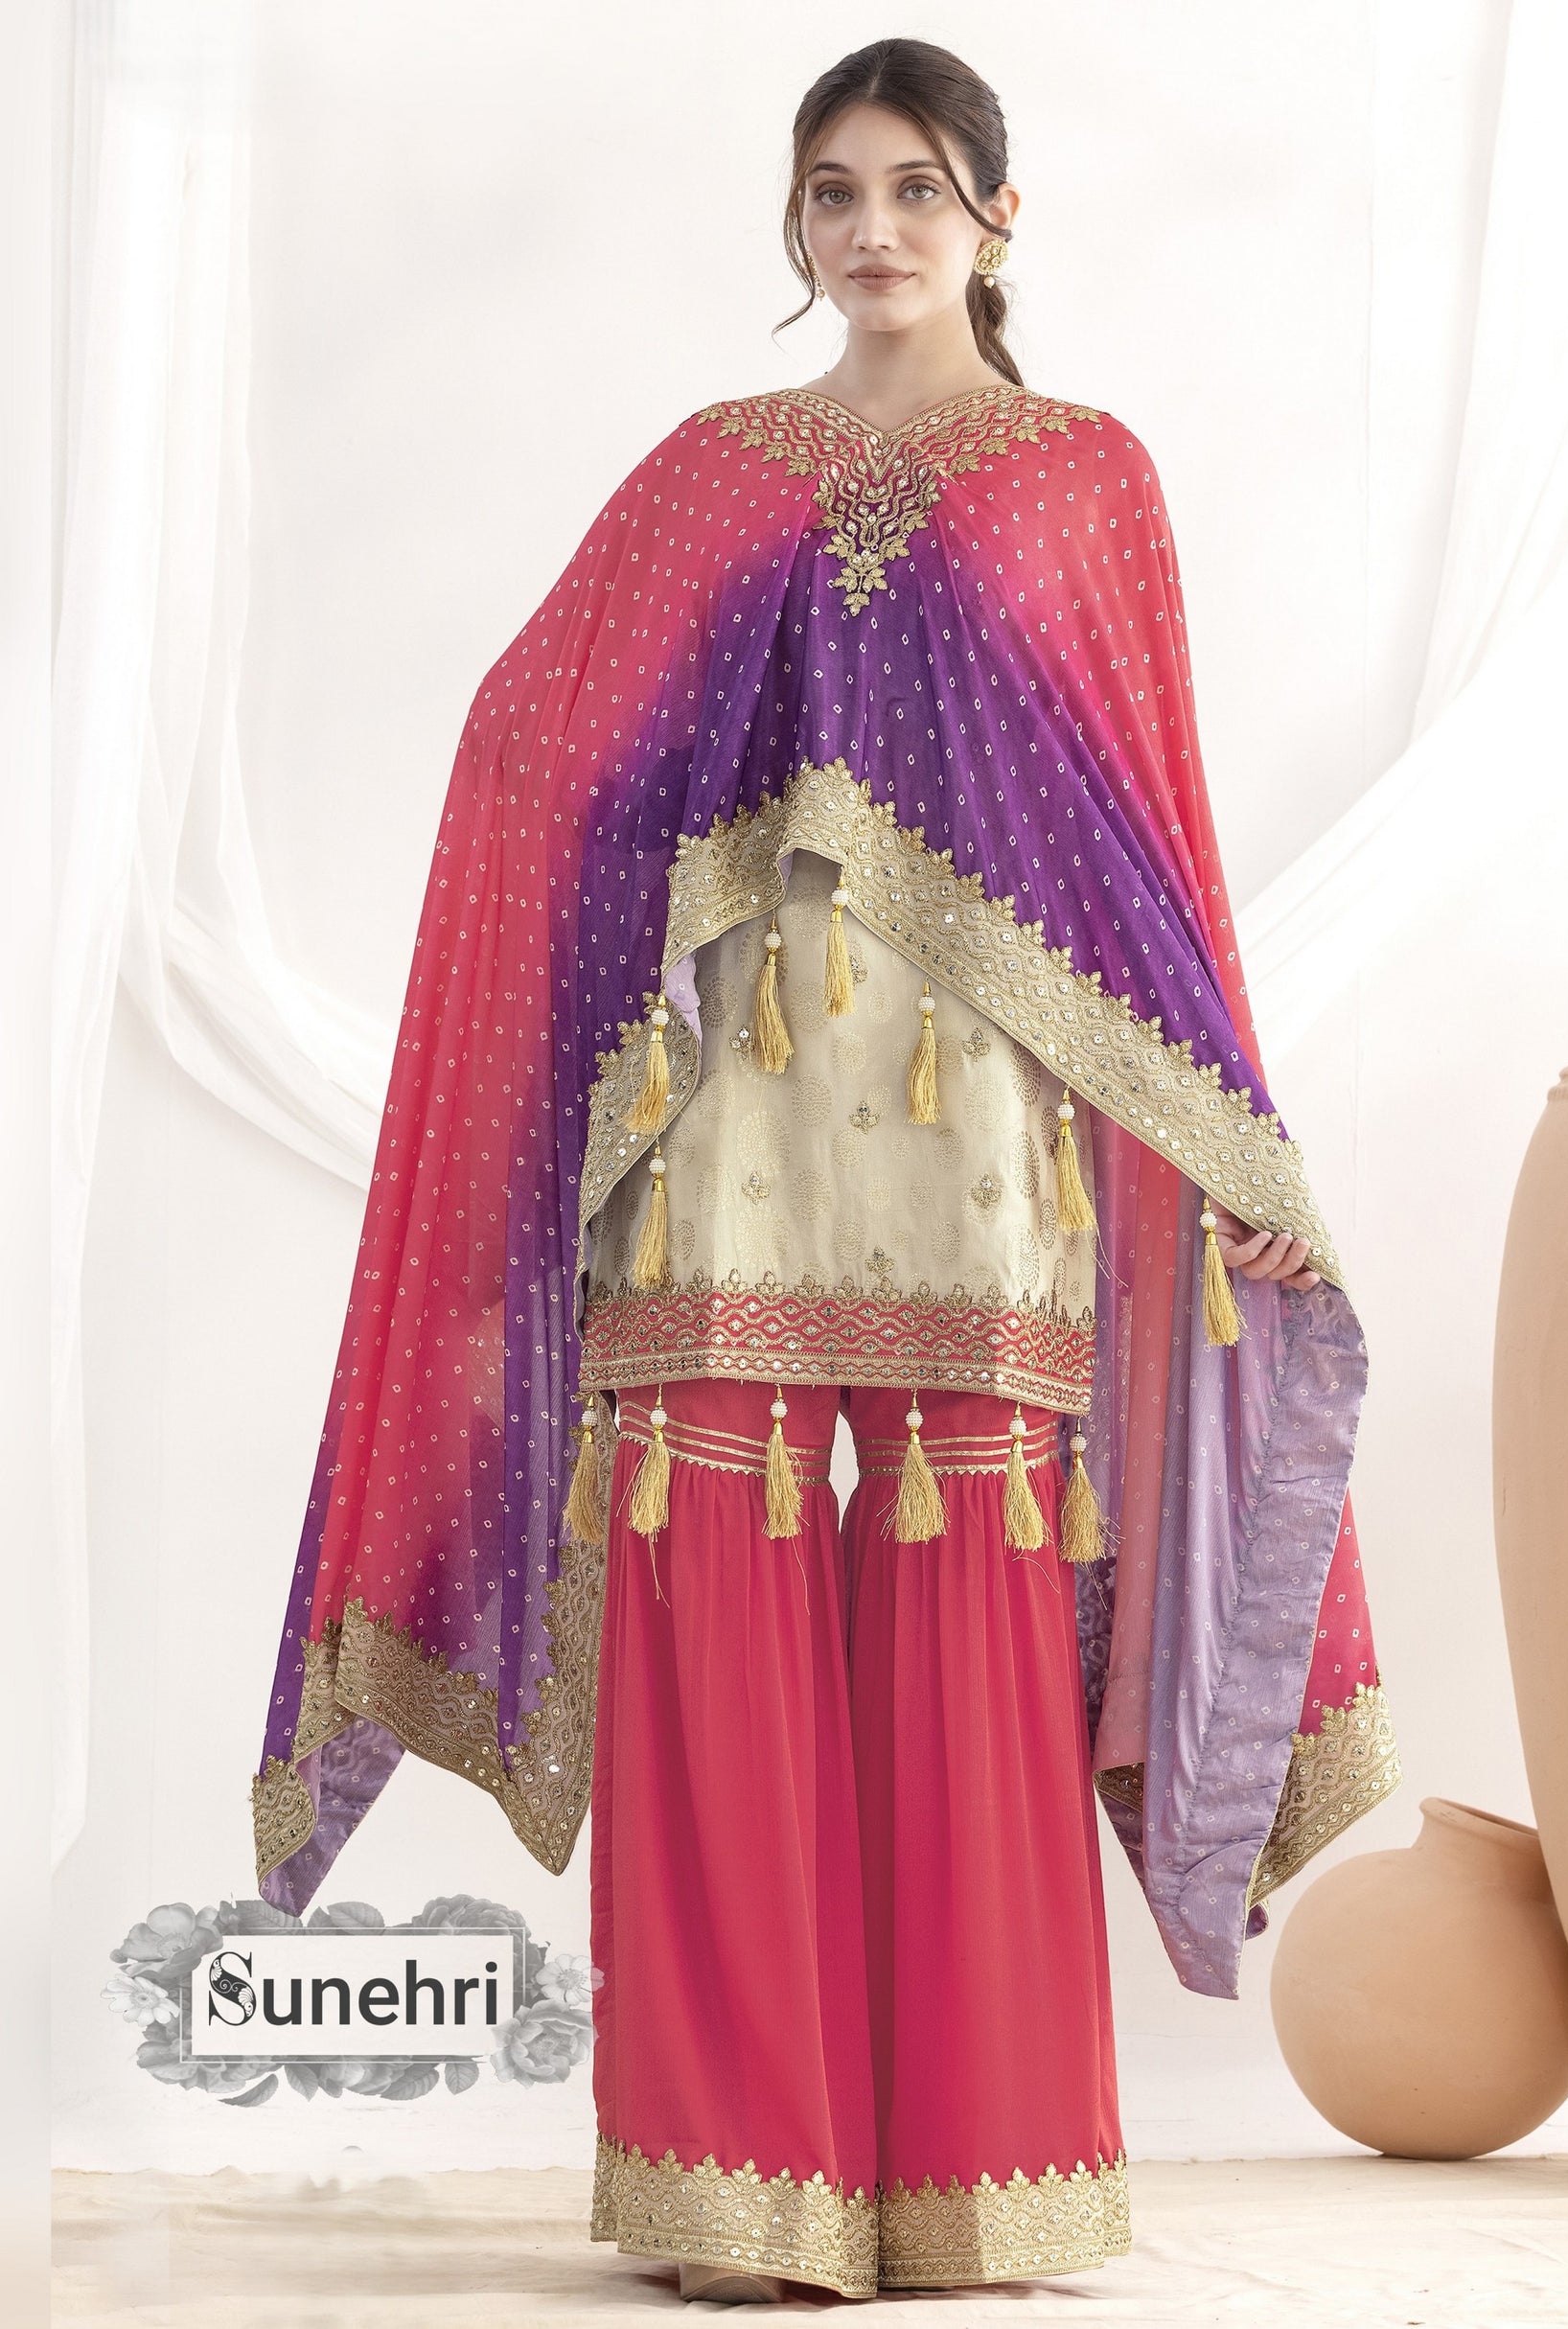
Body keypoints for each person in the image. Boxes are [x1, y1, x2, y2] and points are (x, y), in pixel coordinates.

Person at [250, 35, 1398, 2306]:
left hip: (988, 1127)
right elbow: (532, 741)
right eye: (834, 191)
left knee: (973, 1602)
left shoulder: (1086, 477)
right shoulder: (711, 474)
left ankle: (980, 2185)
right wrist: (696, 846)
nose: (872, 229)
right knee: (712, 1586)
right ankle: (738, 2186)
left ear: (998, 217)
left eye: (916, 188)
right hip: (733, 1113)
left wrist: (1232, 1137)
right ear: (795, 225)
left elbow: (1146, 859)